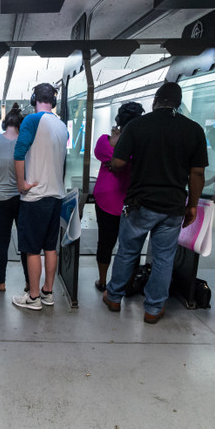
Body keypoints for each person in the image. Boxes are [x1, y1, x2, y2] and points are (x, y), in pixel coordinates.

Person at [102, 82, 207, 324]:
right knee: (163, 257)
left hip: (140, 203)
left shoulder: (138, 126)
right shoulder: (193, 130)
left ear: (156, 100)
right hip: (173, 206)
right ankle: (153, 308)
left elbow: (117, 163)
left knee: (128, 251)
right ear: (178, 104)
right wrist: (192, 205)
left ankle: (114, 297)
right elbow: (197, 173)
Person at [11, 83, 69, 311]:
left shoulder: (32, 120)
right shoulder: (61, 125)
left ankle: (33, 297)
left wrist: (21, 184)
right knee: (50, 248)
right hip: (56, 196)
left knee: (32, 249)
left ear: (34, 98)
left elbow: (18, 153)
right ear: (53, 101)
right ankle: (47, 292)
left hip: (36, 196)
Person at [91, 101, 144, 292]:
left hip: (106, 198)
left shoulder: (106, 141)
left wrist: (115, 145)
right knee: (131, 244)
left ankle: (103, 281)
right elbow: (133, 161)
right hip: (131, 200)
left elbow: (102, 153)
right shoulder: (140, 145)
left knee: (105, 240)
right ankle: (127, 285)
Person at [0, 103, 29, 292]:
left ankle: (1, 282)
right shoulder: (25, 143)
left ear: (5, 124)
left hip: (0, 198)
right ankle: (29, 282)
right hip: (22, 198)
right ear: (21, 125)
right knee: (25, 241)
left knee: (2, 240)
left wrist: (0, 181)